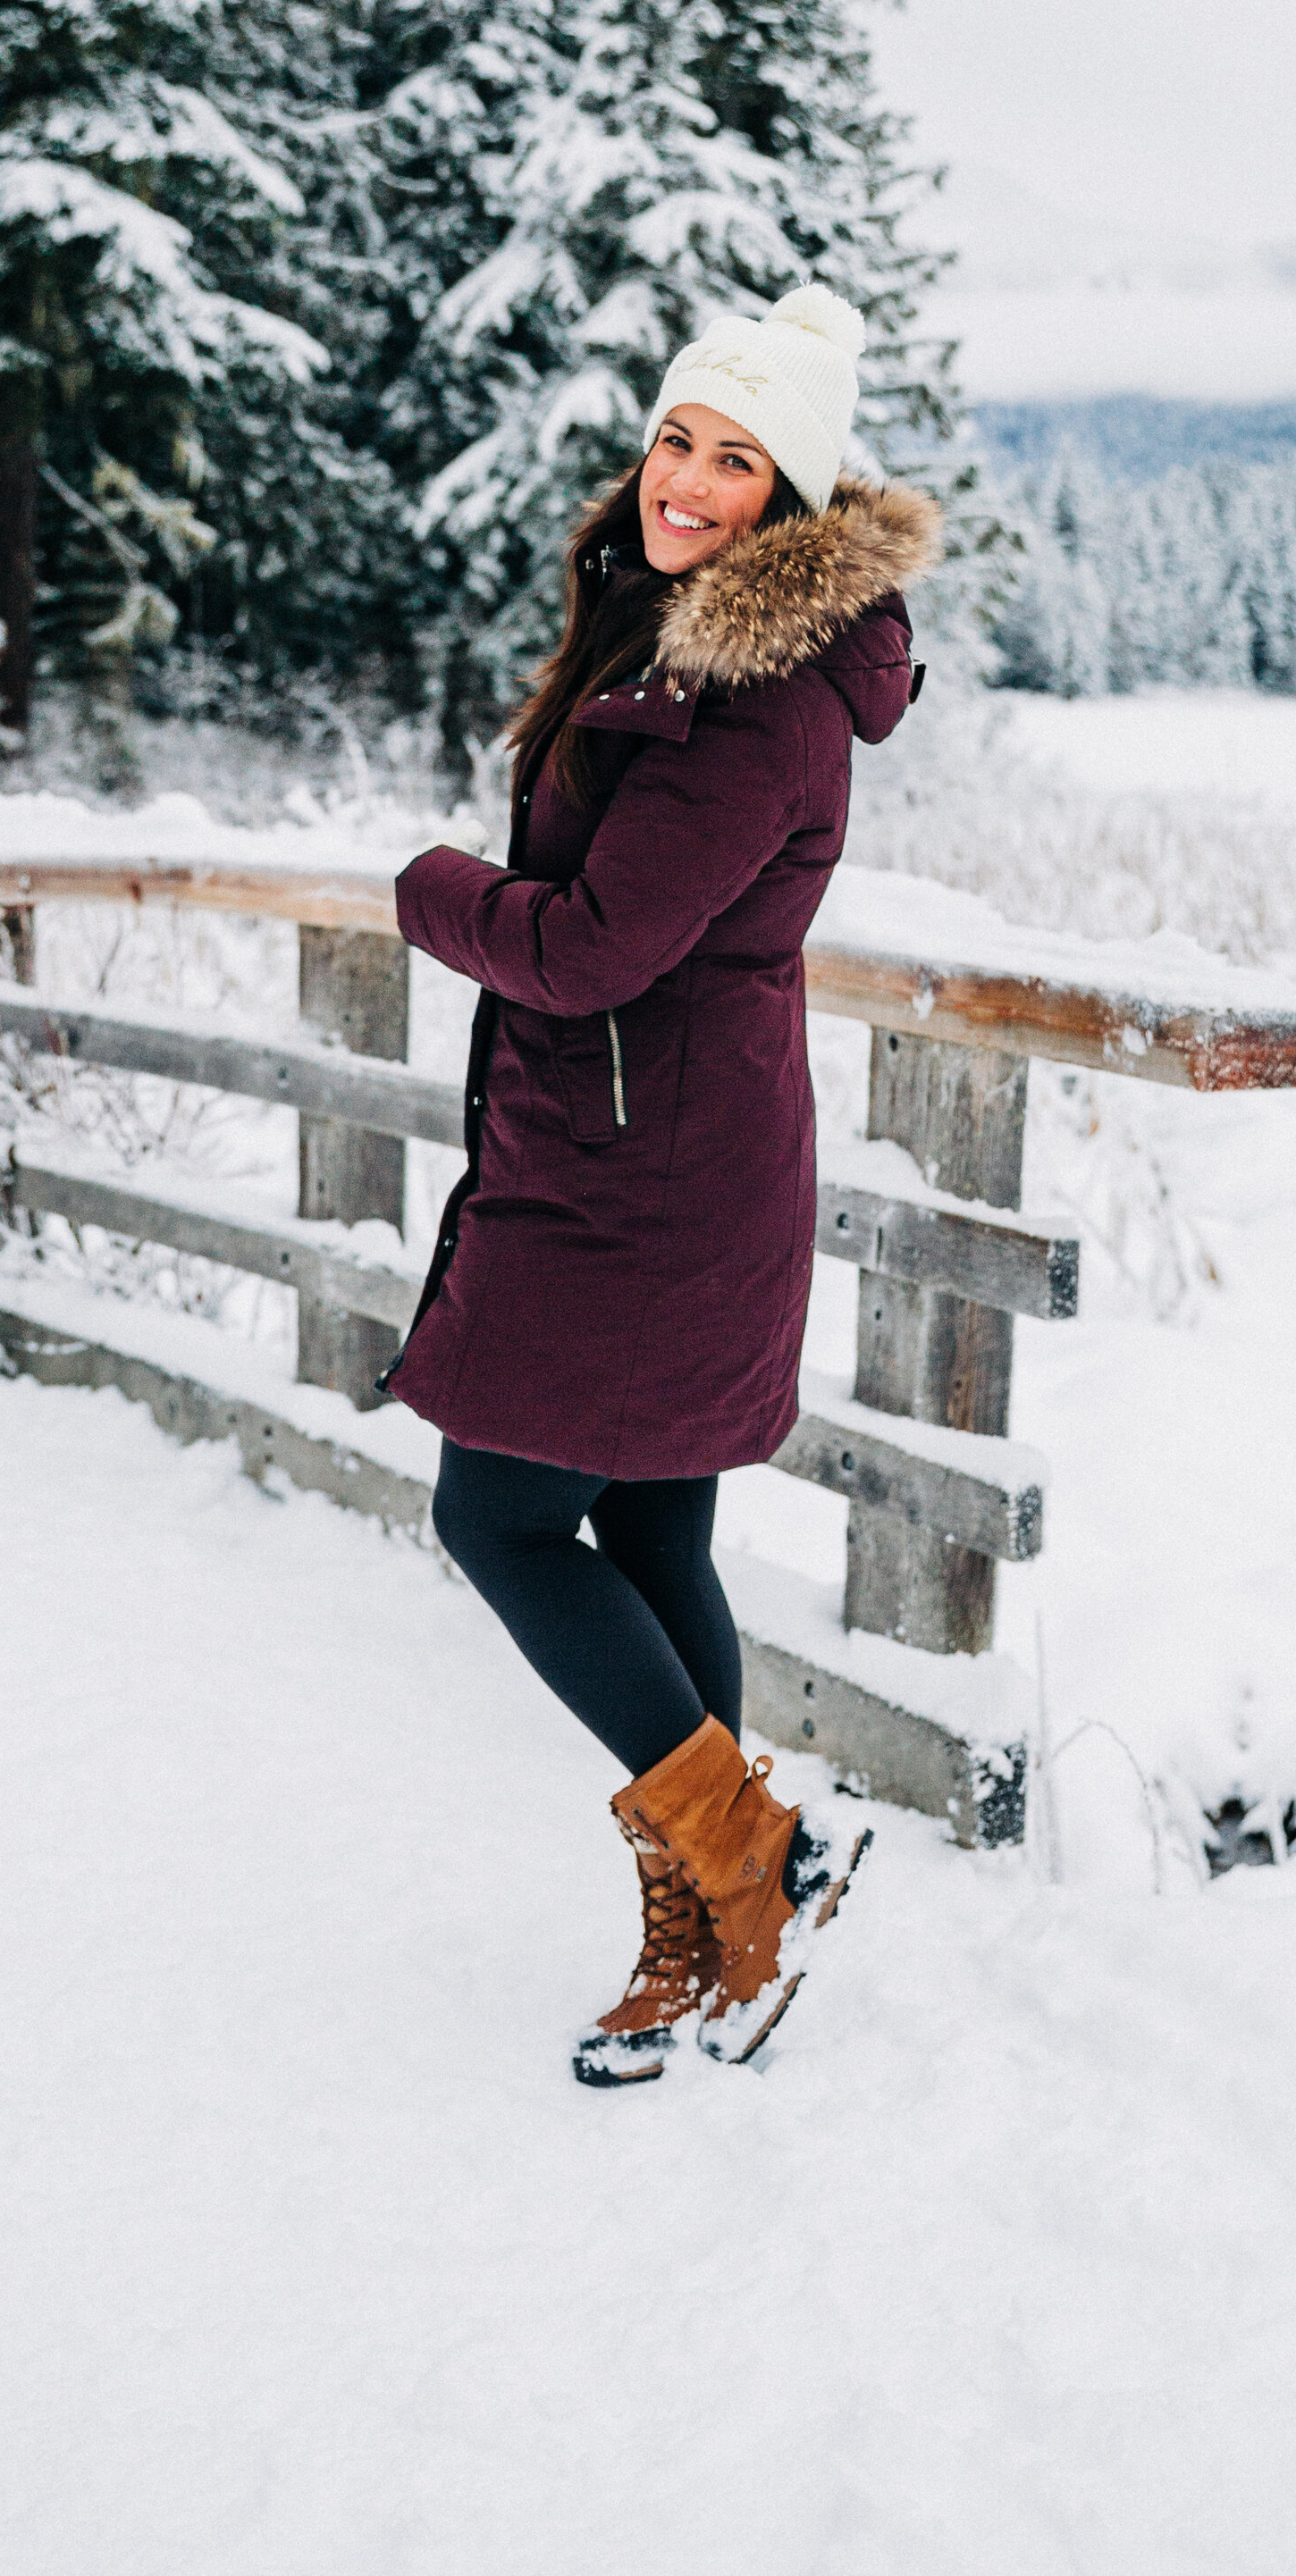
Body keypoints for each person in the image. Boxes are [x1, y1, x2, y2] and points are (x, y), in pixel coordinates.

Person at [385, 281, 940, 2083]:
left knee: (497, 1518)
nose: (687, 480)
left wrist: (431, 887)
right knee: (645, 1527)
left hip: (646, 1185)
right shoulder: (675, 638)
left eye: (736, 457)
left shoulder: (751, 697)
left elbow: (595, 945)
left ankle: (751, 1865)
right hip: (658, 1154)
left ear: (796, 499)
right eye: (676, 438)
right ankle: (723, 1933)